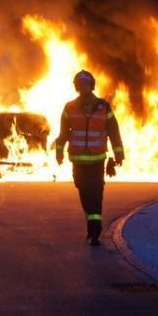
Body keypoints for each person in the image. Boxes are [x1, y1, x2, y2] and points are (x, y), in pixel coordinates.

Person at [54, 69, 125, 246]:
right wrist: (59, 151)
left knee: (96, 193)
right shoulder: (69, 107)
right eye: (79, 85)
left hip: (97, 160)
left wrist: (118, 154)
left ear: (91, 86)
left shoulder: (103, 107)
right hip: (78, 160)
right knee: (84, 193)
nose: (82, 88)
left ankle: (95, 230)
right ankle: (91, 223)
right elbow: (63, 133)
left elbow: (113, 131)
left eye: (85, 84)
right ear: (76, 87)